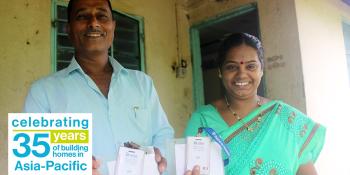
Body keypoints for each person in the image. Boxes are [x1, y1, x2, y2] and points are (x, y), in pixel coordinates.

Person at [23, 0, 174, 174]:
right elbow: (32, 165)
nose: (94, 23)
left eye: (102, 16)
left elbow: (163, 134)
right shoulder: (42, 92)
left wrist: (158, 156)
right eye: (82, 16)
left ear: (113, 27)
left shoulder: (143, 83)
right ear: (69, 30)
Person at [184, 33, 326, 175]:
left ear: (261, 70)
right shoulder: (203, 120)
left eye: (251, 66)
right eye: (232, 67)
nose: (242, 74)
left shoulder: (285, 118)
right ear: (220, 72)